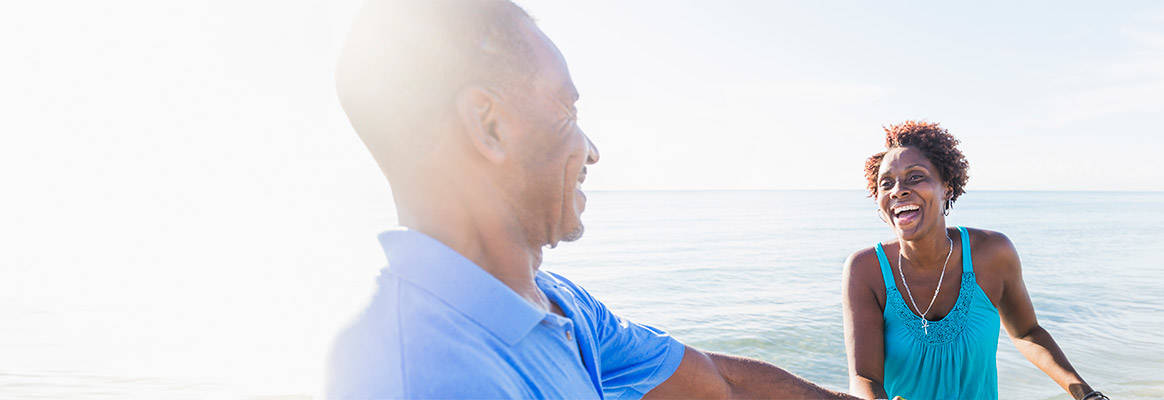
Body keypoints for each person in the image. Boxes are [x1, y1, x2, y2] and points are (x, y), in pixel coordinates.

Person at [326, 1, 856, 398]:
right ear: (489, 126)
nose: (592, 151)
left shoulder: (557, 305)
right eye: (567, 111)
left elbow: (721, 384)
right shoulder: (423, 377)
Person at [841, 121, 1107, 400]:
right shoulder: (866, 270)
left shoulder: (992, 253)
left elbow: (1027, 333)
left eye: (915, 177)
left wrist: (1086, 394)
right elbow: (864, 377)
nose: (898, 190)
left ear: (947, 187)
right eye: (886, 184)